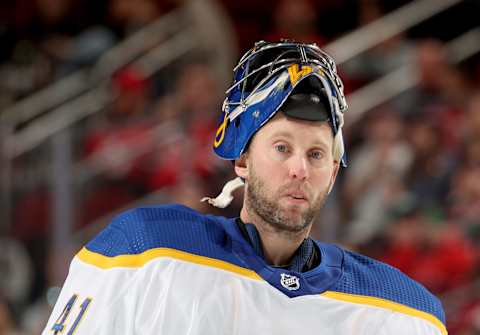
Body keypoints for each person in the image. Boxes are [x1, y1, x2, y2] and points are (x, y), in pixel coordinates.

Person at [42, 40, 447, 335]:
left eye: (317, 155)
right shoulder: (144, 252)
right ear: (242, 161)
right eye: (282, 148)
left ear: (333, 174)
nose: (299, 169)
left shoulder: (404, 313)